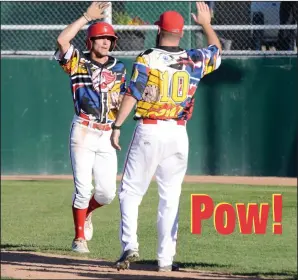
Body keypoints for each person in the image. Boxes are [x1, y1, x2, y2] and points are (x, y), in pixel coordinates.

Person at [110, 1, 222, 272]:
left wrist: (117, 125)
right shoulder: (195, 58)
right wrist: (206, 23)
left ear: (158, 30)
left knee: (130, 191)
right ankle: (165, 260)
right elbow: (217, 52)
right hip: (178, 133)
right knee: (170, 195)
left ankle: (130, 245)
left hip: (150, 128)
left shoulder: (148, 57)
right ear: (181, 33)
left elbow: (133, 92)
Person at [54, 2, 127, 253]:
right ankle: (79, 239)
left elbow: (120, 98)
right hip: (83, 130)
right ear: (90, 41)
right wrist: (86, 17)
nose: (106, 42)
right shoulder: (78, 61)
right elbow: (63, 40)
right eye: (101, 38)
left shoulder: (119, 67)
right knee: (83, 189)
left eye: (109, 38)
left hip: (106, 132)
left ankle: (87, 214)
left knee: (107, 194)